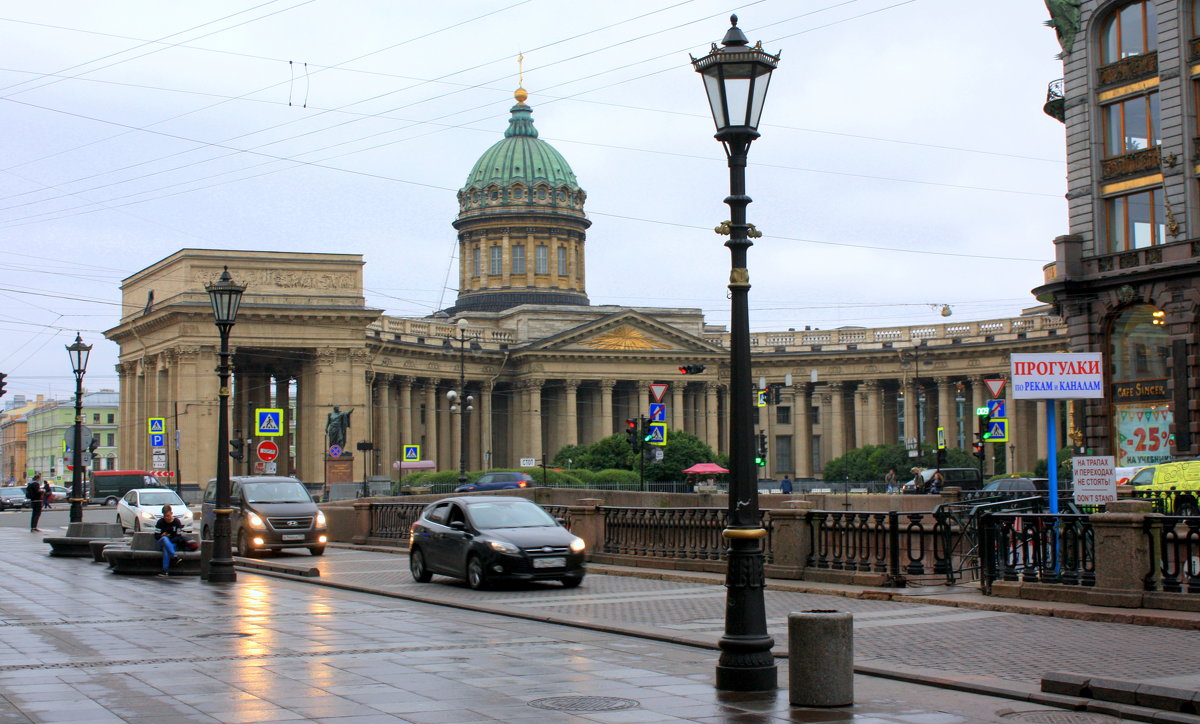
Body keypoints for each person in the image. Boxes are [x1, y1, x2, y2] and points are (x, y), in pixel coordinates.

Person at [154, 505, 188, 577]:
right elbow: (156, 536)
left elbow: (178, 536)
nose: (166, 518)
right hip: (161, 542)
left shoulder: (176, 522)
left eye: (168, 516)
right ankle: (174, 555)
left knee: (166, 549)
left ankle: (165, 570)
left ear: (171, 513)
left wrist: (170, 540)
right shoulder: (160, 522)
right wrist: (161, 535)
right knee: (164, 539)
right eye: (165, 516)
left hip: (172, 544)